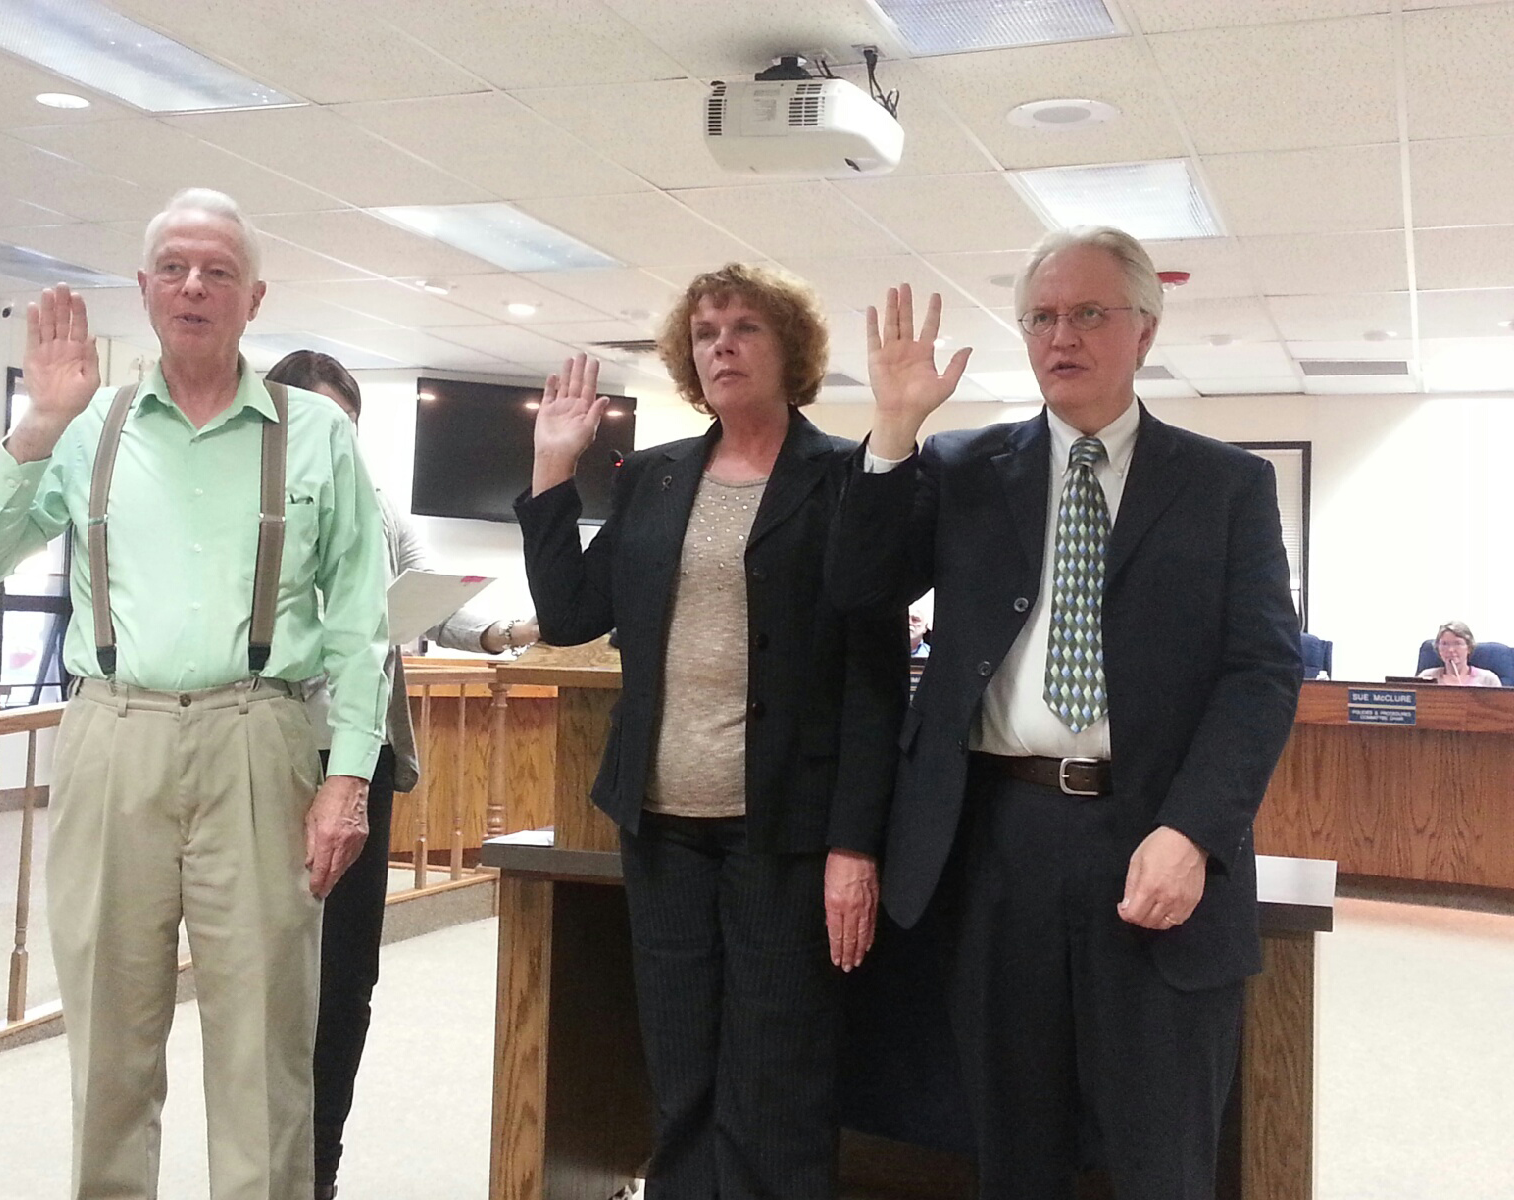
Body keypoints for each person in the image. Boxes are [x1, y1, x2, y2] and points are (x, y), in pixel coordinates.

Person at [827, 227, 1303, 1199]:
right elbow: (858, 589)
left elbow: (1259, 670)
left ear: (1144, 328)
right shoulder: (962, 466)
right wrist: (890, 434)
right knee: (1014, 1139)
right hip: (997, 841)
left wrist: (1193, 830)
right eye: (1041, 317)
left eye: (1088, 312)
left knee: (1160, 1143)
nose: (1062, 336)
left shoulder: (1225, 485)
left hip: (1154, 840)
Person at [0, 188, 390, 1200]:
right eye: (175, 268)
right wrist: (38, 421)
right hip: (113, 738)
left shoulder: (315, 433)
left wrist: (347, 779)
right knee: (108, 1038)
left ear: (253, 297)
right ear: (145, 289)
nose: (195, 286)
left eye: (218, 271)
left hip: (258, 736)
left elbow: (363, 622)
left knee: (264, 1050)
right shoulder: (85, 426)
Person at [515, 264, 905, 1199]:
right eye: (704, 333)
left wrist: (855, 842)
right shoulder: (653, 477)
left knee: (779, 1071)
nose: (720, 344)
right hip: (663, 826)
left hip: (785, 828)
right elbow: (570, 613)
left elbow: (874, 679)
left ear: (790, 350)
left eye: (743, 328)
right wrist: (553, 469)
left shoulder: (846, 478)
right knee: (681, 1066)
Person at [262, 350, 538, 1200]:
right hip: (270, 751)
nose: (332, 439)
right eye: (315, 420)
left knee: (346, 980)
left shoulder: (378, 506)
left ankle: (318, 1173)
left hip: (365, 757)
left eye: (345, 425)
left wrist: (499, 635)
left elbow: (426, 596)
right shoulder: (248, 503)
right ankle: (261, 1170)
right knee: (268, 975)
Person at [1419, 620, 1500, 687]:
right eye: (1444, 644)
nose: (1450, 649)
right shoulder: (1426, 677)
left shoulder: (1488, 680)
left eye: (1457, 643)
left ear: (1469, 647)